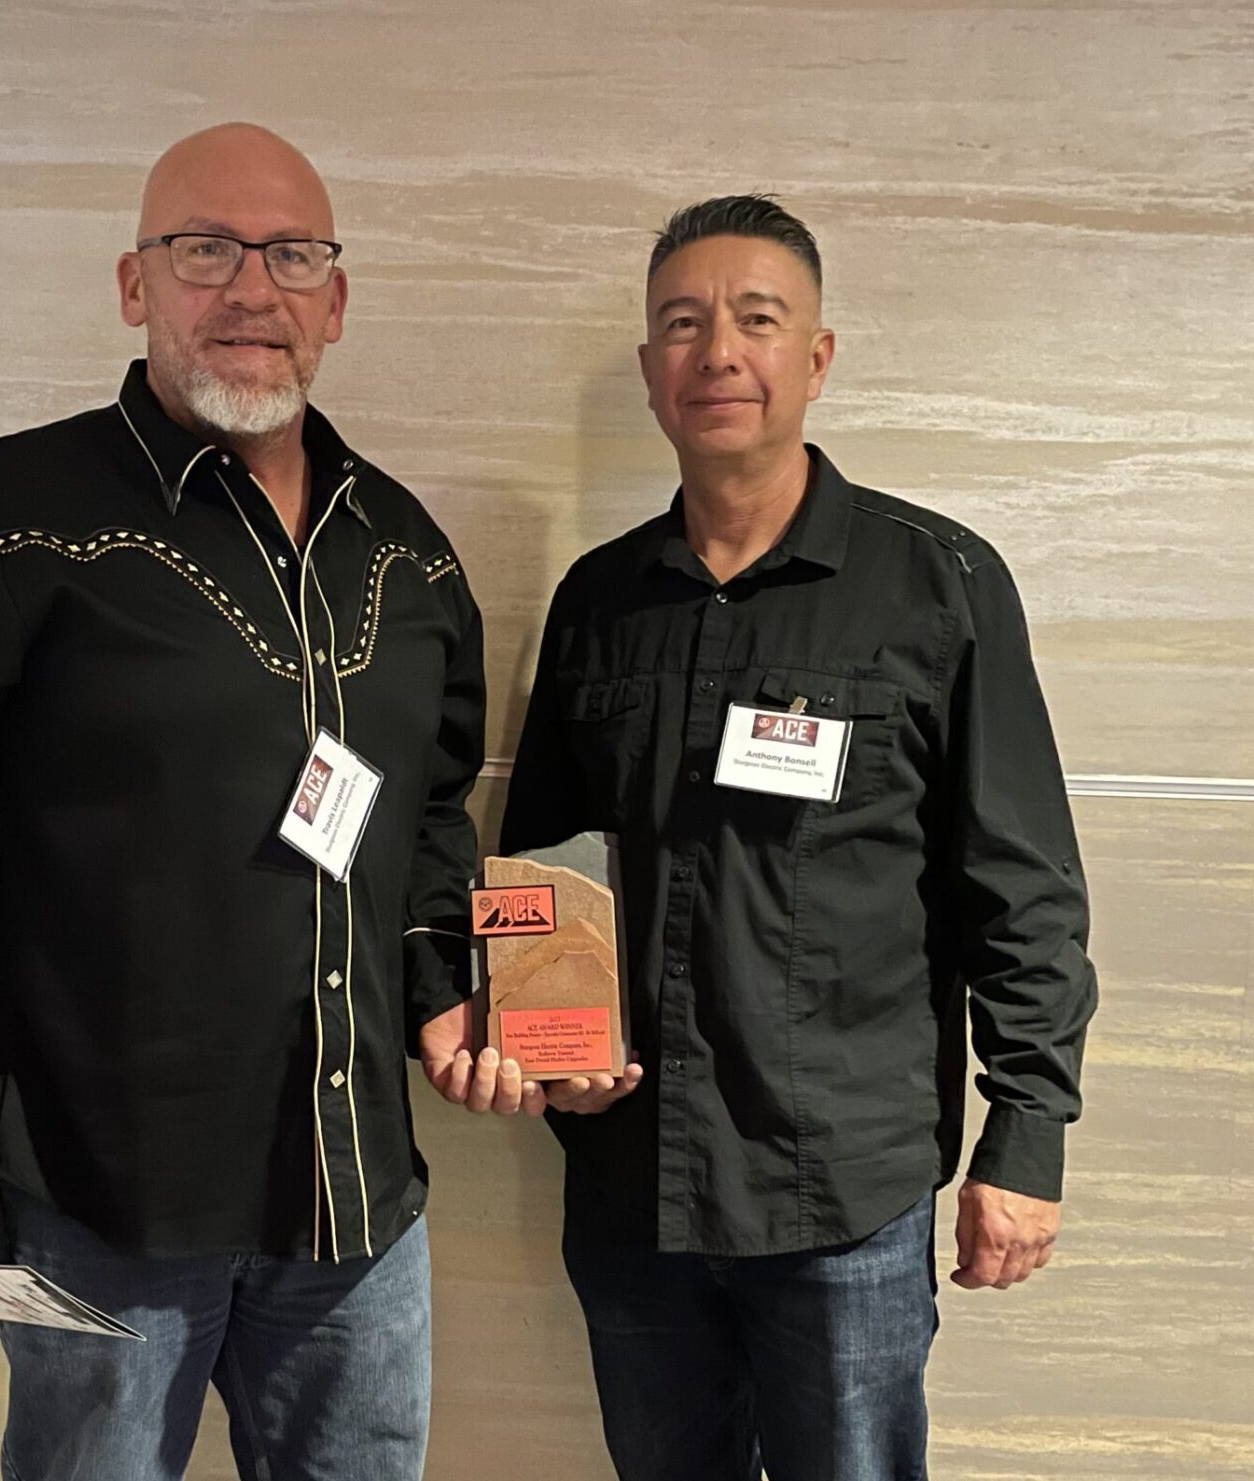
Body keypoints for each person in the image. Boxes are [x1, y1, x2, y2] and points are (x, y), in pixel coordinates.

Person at [0, 122, 518, 1481]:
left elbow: (427, 819)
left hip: (359, 1202)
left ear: (338, 300)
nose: (251, 290)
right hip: (100, 1204)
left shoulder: (409, 555)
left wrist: (446, 988)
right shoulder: (5, 521)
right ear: (135, 285)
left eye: (292, 255)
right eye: (205, 250)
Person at [501, 195, 1099, 1481]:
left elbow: (1025, 887)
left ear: (814, 357)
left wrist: (1025, 1134)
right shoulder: (599, 600)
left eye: (756, 319)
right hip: (630, 1187)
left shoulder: (938, 582)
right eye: (681, 323)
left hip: (843, 1196)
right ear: (655, 369)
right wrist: (553, 1043)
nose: (718, 350)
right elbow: (544, 869)